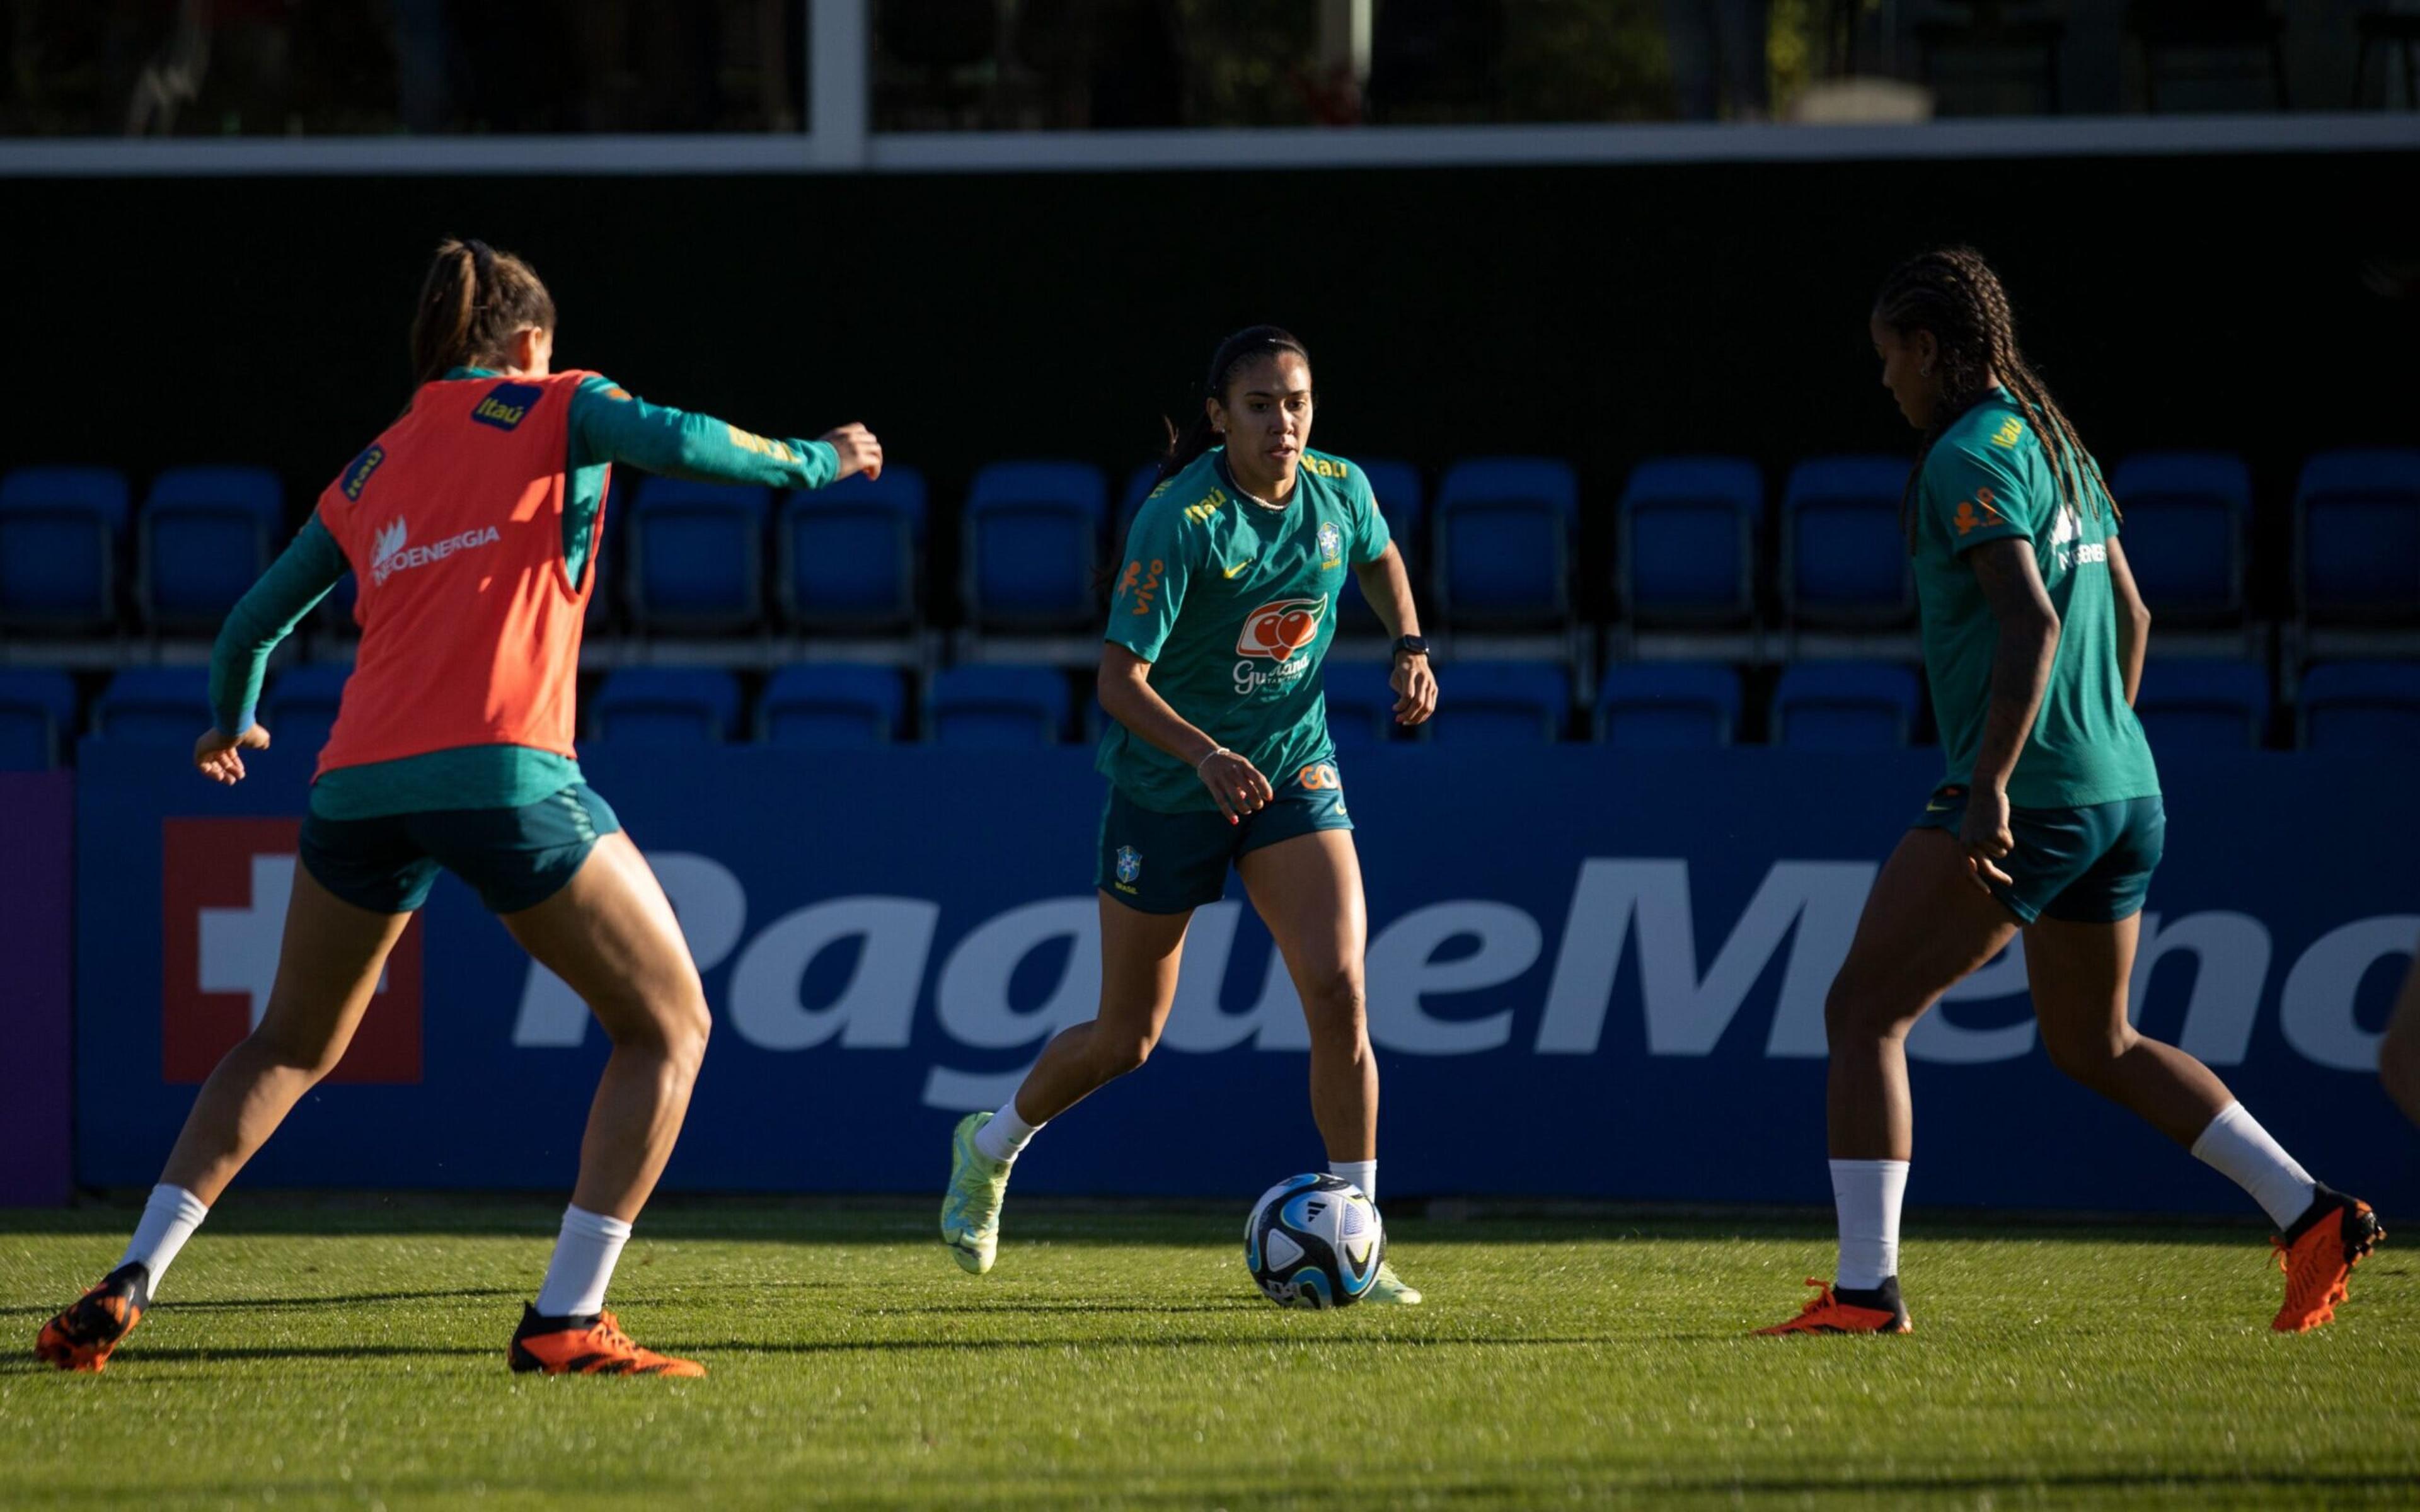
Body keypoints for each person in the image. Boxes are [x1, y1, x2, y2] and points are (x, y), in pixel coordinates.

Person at [35, 238, 882, 1376]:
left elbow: (249, 626)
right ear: (531, 345)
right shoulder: (559, 403)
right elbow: (686, 441)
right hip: (503, 772)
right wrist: (816, 461)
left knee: (286, 1043)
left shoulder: (371, 467)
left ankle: (134, 1271)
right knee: (669, 1027)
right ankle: (567, 1318)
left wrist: (232, 721)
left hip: (356, 788)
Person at [1759, 248, 2382, 1337]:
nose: (1884, 380)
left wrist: (1998, 782)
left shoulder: (1967, 455)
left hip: (2030, 795)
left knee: (1862, 1013)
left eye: (1889, 356)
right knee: (2099, 1045)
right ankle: (2308, 1211)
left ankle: (1866, 1293)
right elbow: (2132, 620)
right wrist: (2095, 747)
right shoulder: (2058, 443)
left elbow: (2032, 620)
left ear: (1932, 348)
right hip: (2122, 790)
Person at [939, 326, 1435, 1304]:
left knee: (1339, 990)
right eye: (1260, 406)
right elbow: (1119, 684)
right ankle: (989, 1148)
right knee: (1127, 1038)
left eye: (1296, 402)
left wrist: (1409, 641)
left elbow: (1379, 556)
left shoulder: (1340, 487)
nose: (1283, 423)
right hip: (1171, 786)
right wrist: (1204, 754)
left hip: (1292, 769)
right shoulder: (1183, 517)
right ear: (1219, 416)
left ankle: (1359, 1241)